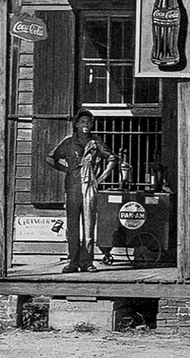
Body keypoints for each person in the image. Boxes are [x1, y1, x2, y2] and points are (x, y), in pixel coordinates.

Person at [47, 108, 118, 273]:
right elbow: (50, 158)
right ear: (76, 124)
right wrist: (66, 170)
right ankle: (73, 262)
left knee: (88, 225)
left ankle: (87, 262)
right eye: (83, 122)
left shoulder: (95, 142)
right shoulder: (67, 142)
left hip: (89, 185)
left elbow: (112, 158)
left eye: (89, 122)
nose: (86, 125)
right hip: (72, 185)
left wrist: (100, 179)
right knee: (72, 226)